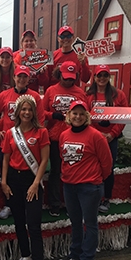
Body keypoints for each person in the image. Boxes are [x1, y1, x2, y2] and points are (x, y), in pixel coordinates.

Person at [1, 95, 49, 260]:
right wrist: (3, 182)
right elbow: (6, 158)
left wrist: (36, 183)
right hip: (14, 180)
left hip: (32, 180)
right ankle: (26, 258)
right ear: (18, 112)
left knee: (34, 226)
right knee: (19, 223)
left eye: (30, 109)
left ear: (34, 112)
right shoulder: (11, 133)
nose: (27, 113)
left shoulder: (42, 132)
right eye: (23, 109)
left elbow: (45, 159)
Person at [57, 100, 112, 260]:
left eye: (81, 114)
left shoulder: (95, 135)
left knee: (90, 223)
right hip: (69, 185)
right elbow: (63, 157)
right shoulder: (64, 135)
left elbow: (107, 162)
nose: (78, 117)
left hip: (89, 187)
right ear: (69, 115)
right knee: (75, 222)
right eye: (74, 113)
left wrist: (96, 179)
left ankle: (87, 258)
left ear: (87, 116)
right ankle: (75, 253)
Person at [0, 65, 45, 220]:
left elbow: (40, 118)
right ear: (14, 78)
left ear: (28, 79)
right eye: (19, 76)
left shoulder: (35, 96)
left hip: (29, 143)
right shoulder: (4, 95)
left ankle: (28, 203)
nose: (21, 79)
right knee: (8, 175)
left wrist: (37, 135)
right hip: (9, 142)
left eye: (24, 77)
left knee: (27, 174)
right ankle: (8, 204)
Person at [42, 61, 87, 217]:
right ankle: (54, 203)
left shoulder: (80, 92)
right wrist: (51, 115)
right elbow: (41, 112)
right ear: (59, 74)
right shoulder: (50, 90)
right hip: (54, 136)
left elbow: (85, 114)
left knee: (73, 170)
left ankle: (71, 204)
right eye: (65, 78)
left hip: (75, 137)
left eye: (71, 78)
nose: (68, 81)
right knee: (56, 170)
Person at [86, 64, 128, 213]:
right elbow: (84, 116)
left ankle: (106, 198)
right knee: (92, 167)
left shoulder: (119, 95)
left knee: (108, 168)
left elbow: (122, 118)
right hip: (93, 137)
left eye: (105, 75)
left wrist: (112, 134)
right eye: (99, 75)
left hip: (111, 138)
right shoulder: (89, 94)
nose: (102, 78)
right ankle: (92, 197)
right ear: (95, 77)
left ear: (109, 77)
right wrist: (95, 134)